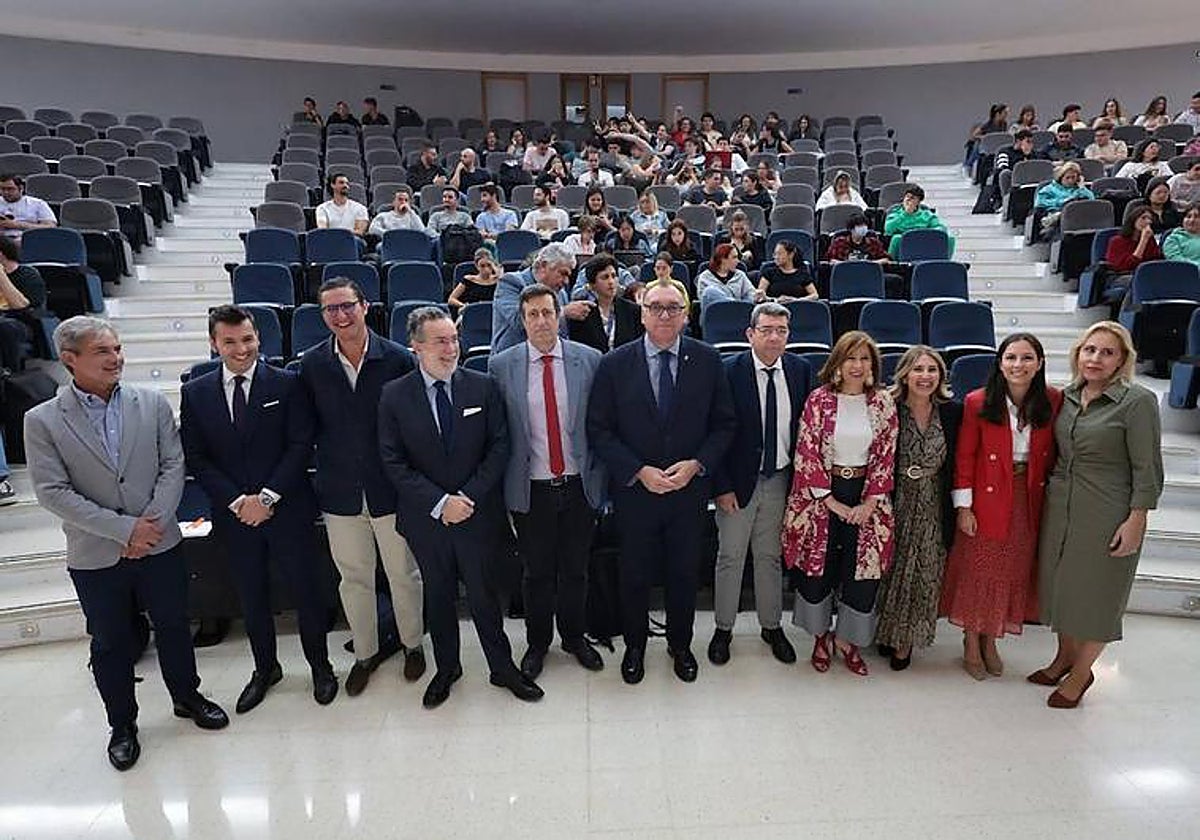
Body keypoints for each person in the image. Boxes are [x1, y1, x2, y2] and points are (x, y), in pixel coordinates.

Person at [24, 316, 229, 770]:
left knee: (175, 625)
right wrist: (124, 531)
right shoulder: (41, 421)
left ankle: (187, 696)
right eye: (103, 351)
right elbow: (52, 492)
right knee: (111, 643)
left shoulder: (151, 404)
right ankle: (123, 724)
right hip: (96, 554)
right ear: (69, 359)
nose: (116, 358)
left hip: (160, 543)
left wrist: (149, 527)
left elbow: (173, 466)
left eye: (117, 348)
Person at [377, 306, 543, 708]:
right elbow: (392, 460)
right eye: (440, 341)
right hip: (426, 518)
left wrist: (466, 497)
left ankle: (502, 667)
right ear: (415, 347)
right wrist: (439, 502)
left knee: (485, 595)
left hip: (476, 513)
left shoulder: (482, 386)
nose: (451, 348)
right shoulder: (394, 395)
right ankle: (447, 668)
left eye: (454, 339)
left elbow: (499, 447)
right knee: (438, 595)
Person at [180, 306, 336, 711]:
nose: (240, 348)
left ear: (258, 338)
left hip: (287, 508)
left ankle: (320, 666)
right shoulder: (195, 391)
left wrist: (266, 498)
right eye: (229, 341)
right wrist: (237, 502)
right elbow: (196, 457)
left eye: (247, 339)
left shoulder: (288, 383)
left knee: (306, 591)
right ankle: (265, 668)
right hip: (233, 516)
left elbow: (301, 445)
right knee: (251, 596)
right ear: (214, 343)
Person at [587, 279, 736, 684]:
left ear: (686, 315)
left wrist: (697, 465)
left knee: (684, 573)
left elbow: (724, 425)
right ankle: (634, 646)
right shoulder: (614, 363)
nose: (665, 315)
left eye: (673, 307)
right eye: (656, 307)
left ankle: (680, 645)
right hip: (637, 494)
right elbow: (599, 430)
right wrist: (638, 471)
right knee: (634, 573)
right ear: (642, 313)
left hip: (688, 493)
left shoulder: (707, 360)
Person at [297, 279, 426, 696]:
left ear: (365, 306)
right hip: (340, 492)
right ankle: (366, 653)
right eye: (330, 309)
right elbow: (307, 430)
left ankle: (412, 646)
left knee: (403, 574)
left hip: (390, 489)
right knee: (353, 579)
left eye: (347, 306)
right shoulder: (312, 365)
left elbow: (413, 427)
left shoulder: (397, 359)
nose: (340, 315)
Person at [1033, 322, 1163, 708]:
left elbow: (1147, 466)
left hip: (1108, 509)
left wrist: (1137, 517)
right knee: (1061, 588)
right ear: (1078, 354)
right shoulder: (1067, 397)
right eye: (1090, 350)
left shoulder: (1137, 401)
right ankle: (1062, 659)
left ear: (1122, 360)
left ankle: (1080, 675)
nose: (1096, 358)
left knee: (1099, 595)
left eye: (1107, 352)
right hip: (1062, 504)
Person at [488, 284, 606, 678]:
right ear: (522, 321)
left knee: (576, 570)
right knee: (536, 573)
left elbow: (601, 425)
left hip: (578, 485)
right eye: (532, 314)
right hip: (531, 488)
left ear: (559, 316)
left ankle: (574, 637)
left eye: (547, 313)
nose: (541, 320)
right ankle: (538, 643)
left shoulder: (589, 360)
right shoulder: (501, 365)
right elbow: (498, 431)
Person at [940, 333, 1061, 680]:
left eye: (1026, 358)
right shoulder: (979, 401)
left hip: (1028, 496)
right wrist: (964, 506)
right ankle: (970, 640)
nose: (1018, 365)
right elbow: (965, 456)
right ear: (1000, 363)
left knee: (1010, 569)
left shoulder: (1052, 400)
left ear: (1039, 364)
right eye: (1011, 358)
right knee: (980, 569)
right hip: (986, 496)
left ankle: (990, 638)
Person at [781, 331, 898, 677]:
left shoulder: (882, 402)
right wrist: (830, 500)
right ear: (838, 363)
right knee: (817, 571)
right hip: (820, 500)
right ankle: (820, 637)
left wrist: (870, 501)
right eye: (851, 358)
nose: (857, 366)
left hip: (867, 498)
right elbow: (807, 452)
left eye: (864, 359)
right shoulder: (819, 400)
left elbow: (887, 453)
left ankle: (848, 641)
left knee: (861, 574)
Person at [708, 302, 810, 666]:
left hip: (781, 478)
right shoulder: (727, 371)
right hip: (736, 484)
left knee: (770, 557)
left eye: (780, 330)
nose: (773, 336)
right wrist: (720, 485)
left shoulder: (800, 370)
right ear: (750, 334)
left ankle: (772, 626)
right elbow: (714, 434)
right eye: (766, 329)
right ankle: (723, 629)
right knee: (730, 556)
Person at [873, 346, 962, 670]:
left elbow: (959, 462)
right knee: (891, 569)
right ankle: (887, 632)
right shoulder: (887, 407)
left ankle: (905, 642)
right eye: (918, 369)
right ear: (905, 374)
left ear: (940, 375)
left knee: (924, 572)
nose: (925, 376)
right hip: (891, 500)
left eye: (932, 370)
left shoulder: (953, 412)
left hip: (933, 502)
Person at [491, 241, 592, 352]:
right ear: (543, 265)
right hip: (512, 361)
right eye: (562, 273)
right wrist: (564, 312)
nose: (566, 281)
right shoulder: (511, 283)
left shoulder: (560, 293)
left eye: (568, 276)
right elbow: (518, 321)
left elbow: (562, 334)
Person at [568, 253, 643, 353]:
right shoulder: (582, 313)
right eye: (605, 277)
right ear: (592, 284)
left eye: (614, 276)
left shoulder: (633, 311)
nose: (611, 281)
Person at [0, 237, 46, 372]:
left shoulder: (28, 274)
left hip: (19, 321)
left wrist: (2, 277)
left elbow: (21, 305)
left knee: (5, 326)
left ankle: (10, 375)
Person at [884, 185, 954, 259]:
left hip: (924, 242)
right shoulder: (895, 213)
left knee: (949, 238)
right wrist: (905, 214)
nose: (908, 199)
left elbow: (940, 228)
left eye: (912, 198)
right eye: (907, 196)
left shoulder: (927, 214)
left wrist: (927, 233)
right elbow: (888, 230)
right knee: (896, 238)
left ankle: (944, 262)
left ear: (918, 202)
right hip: (905, 243)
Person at [1104, 205, 1163, 287]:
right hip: (1121, 276)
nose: (1148, 222)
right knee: (1141, 281)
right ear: (1133, 219)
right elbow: (1127, 266)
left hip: (1144, 274)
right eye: (1143, 218)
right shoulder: (1116, 241)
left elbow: (1155, 260)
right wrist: (1143, 241)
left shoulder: (1150, 240)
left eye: (1150, 219)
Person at [1032, 162, 1094, 240]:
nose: (1070, 181)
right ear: (1061, 177)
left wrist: (1082, 187)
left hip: (1077, 218)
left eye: (1073, 177)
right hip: (1054, 215)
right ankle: (1058, 216)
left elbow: (1092, 199)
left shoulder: (1079, 190)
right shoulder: (1049, 189)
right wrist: (1062, 202)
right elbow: (1040, 203)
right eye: (1067, 177)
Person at [696, 242, 760, 313]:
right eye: (734, 257)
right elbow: (704, 300)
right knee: (709, 292)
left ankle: (735, 307)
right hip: (714, 316)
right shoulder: (705, 277)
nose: (738, 261)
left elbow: (751, 294)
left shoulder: (740, 275)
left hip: (737, 317)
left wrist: (756, 295)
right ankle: (736, 306)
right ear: (723, 259)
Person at [0, 173, 57, 241]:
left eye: (10, 189)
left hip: (27, 239)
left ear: (21, 188)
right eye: (3, 189)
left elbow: (50, 227)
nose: (6, 192)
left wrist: (17, 225)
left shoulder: (37, 204)